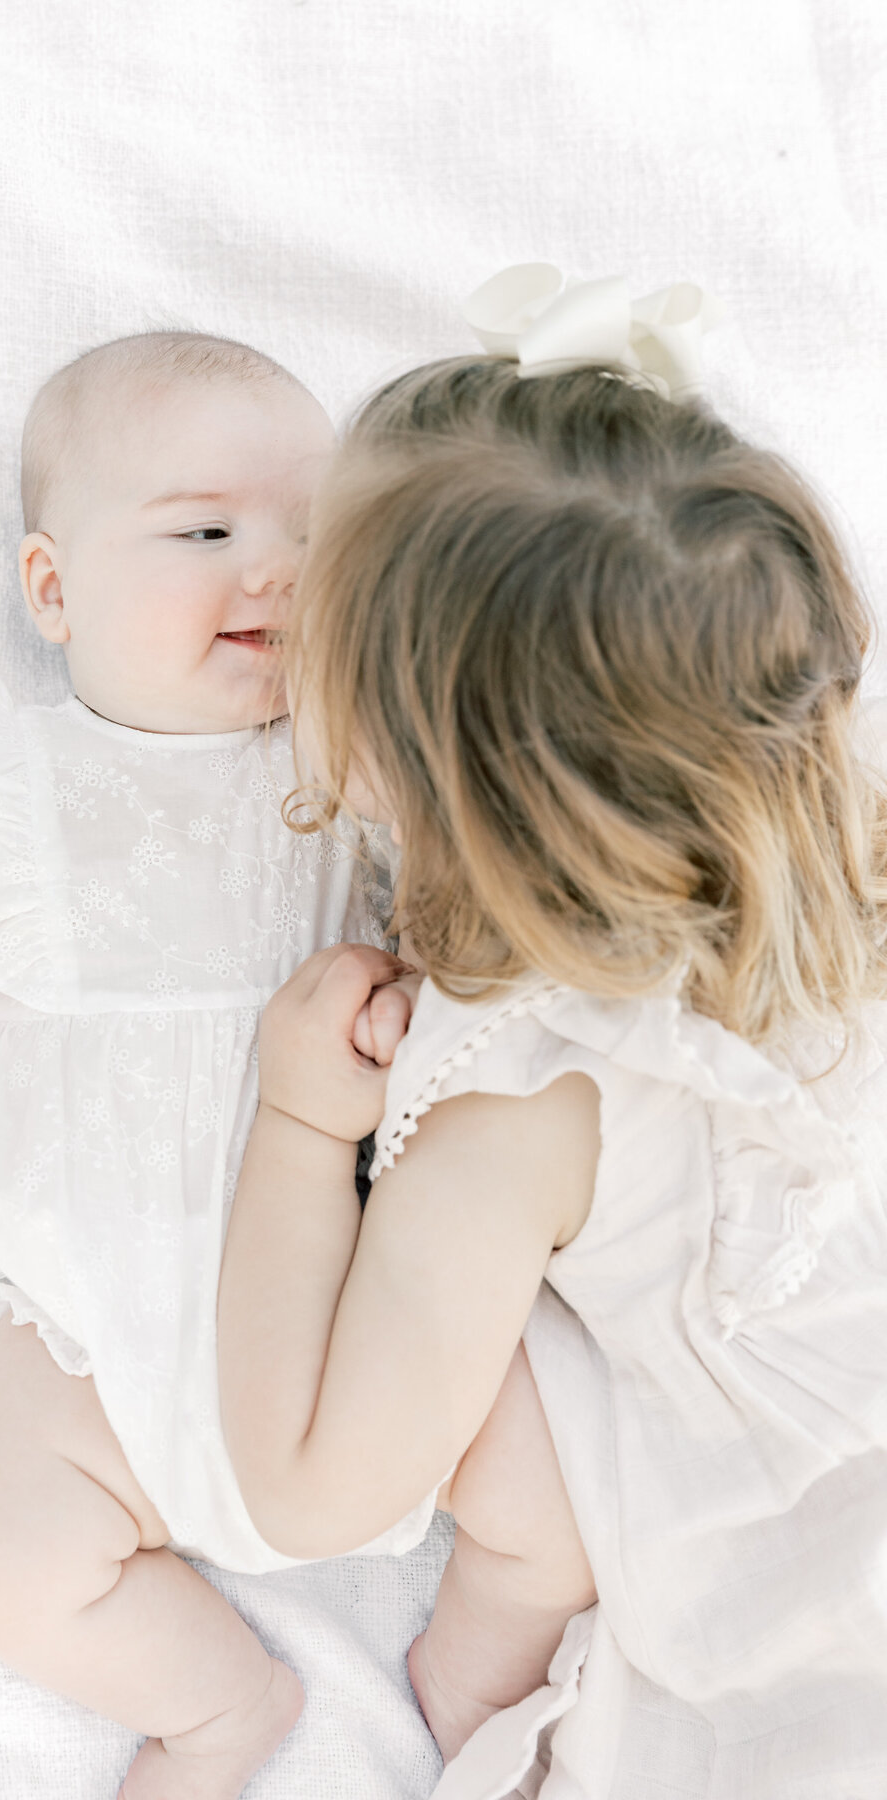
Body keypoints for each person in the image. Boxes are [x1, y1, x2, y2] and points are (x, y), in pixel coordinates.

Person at [0, 330, 440, 1800]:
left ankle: (499, 1662)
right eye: (206, 531)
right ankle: (216, 1704)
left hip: (337, 1291)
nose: (270, 569)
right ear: (54, 592)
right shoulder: (18, 781)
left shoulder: (350, 767)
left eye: (312, 541)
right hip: (88, 1324)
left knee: (536, 1451)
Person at [217, 343, 887, 1798]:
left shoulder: (521, 1097)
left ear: (414, 776)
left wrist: (295, 1117)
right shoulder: (848, 829)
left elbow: (312, 1486)